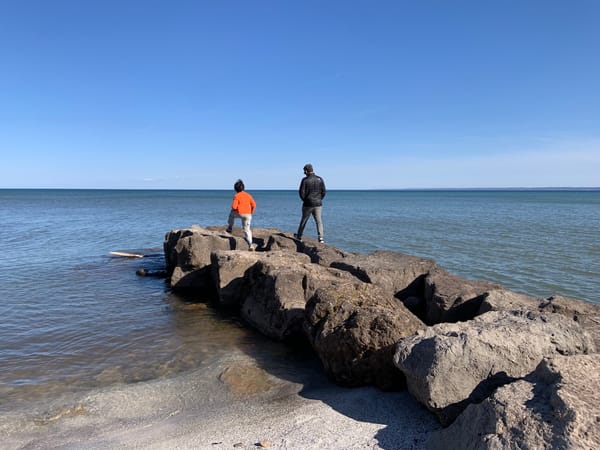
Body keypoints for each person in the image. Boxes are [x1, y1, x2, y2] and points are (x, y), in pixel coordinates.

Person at [295, 163, 326, 243]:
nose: (303, 173)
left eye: (304, 171)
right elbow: (324, 191)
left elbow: (301, 192)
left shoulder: (305, 180)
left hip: (308, 203)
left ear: (306, 171)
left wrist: (305, 200)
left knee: (304, 220)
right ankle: (321, 238)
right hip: (318, 203)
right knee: (319, 221)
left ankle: (299, 236)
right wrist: (319, 198)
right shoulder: (320, 179)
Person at [226, 179, 257, 250]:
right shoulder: (248, 195)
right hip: (248, 215)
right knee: (247, 230)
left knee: (231, 214)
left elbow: (234, 207)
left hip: (239, 213)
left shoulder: (236, 196)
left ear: (235, 189)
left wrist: (236, 209)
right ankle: (251, 245)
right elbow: (254, 205)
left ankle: (230, 227)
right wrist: (251, 213)